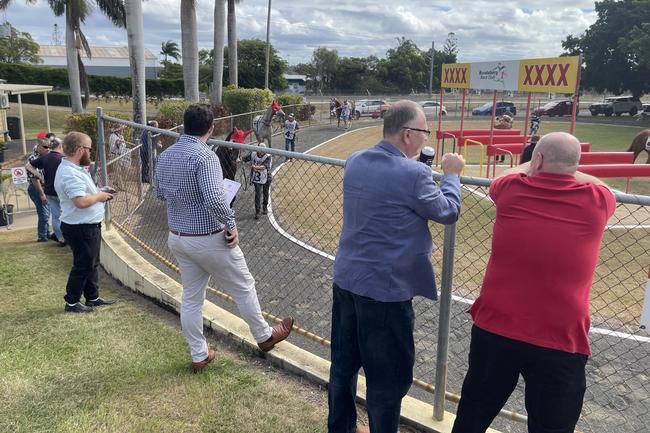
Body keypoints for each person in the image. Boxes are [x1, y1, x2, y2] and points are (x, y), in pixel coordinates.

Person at [452, 132, 616, 433]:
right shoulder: (597, 200)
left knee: (473, 413)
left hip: (496, 324)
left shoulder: (511, 189)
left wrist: (532, 164)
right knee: (553, 426)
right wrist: (570, 167)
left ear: (536, 160)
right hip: (560, 335)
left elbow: (509, 172)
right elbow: (604, 186)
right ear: (575, 166)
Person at [328, 100, 465, 433]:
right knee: (387, 379)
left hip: (347, 279)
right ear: (408, 134)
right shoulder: (414, 173)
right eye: (424, 132)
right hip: (385, 292)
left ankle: (341, 427)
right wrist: (451, 175)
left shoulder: (357, 159)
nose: (425, 137)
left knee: (344, 365)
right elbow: (447, 211)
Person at [154, 104, 293, 373]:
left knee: (192, 297)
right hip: (208, 238)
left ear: (184, 125)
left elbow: (160, 194)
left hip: (178, 237)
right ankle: (264, 336)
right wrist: (231, 224)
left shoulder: (167, 154)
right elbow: (215, 199)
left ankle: (199, 354)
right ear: (211, 128)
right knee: (243, 286)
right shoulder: (205, 157)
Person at [54, 131, 117, 313]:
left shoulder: (74, 169)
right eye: (89, 149)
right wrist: (100, 196)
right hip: (80, 226)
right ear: (81, 150)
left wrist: (99, 190)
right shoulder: (69, 173)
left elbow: (83, 193)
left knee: (91, 262)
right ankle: (72, 301)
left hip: (85, 225)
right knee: (83, 264)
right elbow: (80, 201)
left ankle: (92, 297)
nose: (90, 152)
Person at [27, 136, 66, 246]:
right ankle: (52, 236)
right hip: (60, 191)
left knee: (55, 216)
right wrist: (39, 176)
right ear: (60, 146)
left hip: (49, 191)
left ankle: (60, 238)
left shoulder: (45, 158)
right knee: (64, 214)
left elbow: (28, 166)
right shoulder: (62, 158)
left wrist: (39, 175)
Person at [26, 133, 51, 242]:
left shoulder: (44, 156)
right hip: (36, 188)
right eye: (45, 147)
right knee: (43, 213)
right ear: (39, 147)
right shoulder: (33, 158)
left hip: (43, 187)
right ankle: (42, 236)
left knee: (46, 212)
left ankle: (46, 233)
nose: (48, 149)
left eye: (49, 147)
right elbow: (34, 179)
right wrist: (42, 194)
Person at [251, 143, 272, 219]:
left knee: (265, 193)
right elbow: (245, 158)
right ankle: (257, 212)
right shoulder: (253, 154)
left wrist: (255, 167)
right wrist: (240, 158)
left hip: (267, 177)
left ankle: (265, 207)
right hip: (257, 178)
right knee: (258, 194)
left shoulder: (268, 156)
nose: (261, 153)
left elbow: (264, 166)